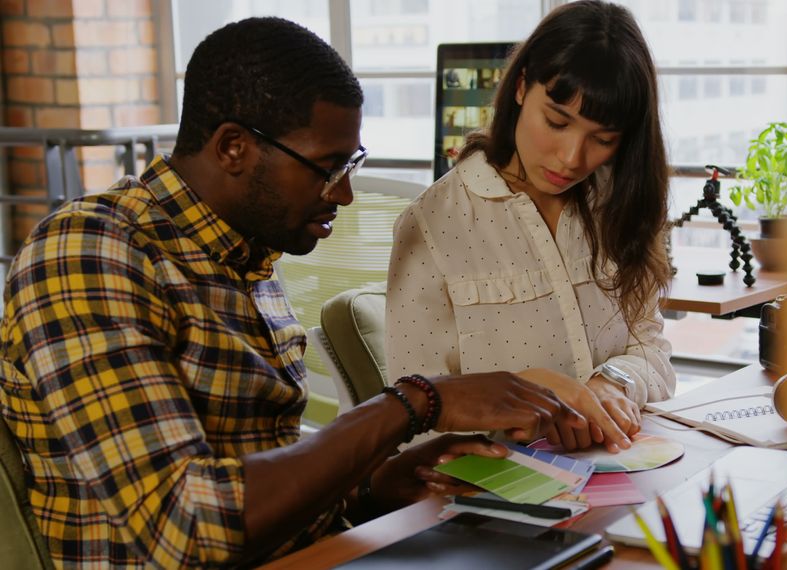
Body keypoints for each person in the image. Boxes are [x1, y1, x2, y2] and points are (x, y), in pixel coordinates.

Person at [0, 18, 583, 568]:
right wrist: (413, 403)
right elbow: (190, 530)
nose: (346, 194)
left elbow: (259, 473)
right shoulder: (92, 254)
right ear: (234, 147)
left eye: (351, 164)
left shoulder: (247, 256)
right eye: (328, 167)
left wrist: (378, 483)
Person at [386, 1, 676, 454]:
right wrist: (528, 400)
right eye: (557, 122)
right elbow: (412, 413)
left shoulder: (618, 204)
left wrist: (610, 384)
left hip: (619, 475)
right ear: (521, 87)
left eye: (602, 140)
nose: (571, 158)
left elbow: (653, 353)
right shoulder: (433, 226)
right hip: (495, 496)